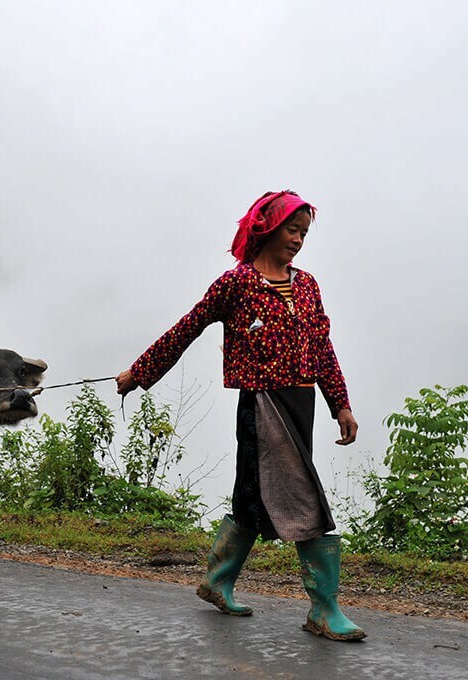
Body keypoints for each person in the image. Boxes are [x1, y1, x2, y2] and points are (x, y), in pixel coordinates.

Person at [116, 190, 365, 641]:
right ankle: (324, 608)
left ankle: (217, 580)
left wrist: (340, 403)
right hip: (262, 403)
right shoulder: (235, 284)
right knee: (302, 496)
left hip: (301, 402)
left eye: (304, 233)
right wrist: (139, 372)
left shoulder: (306, 285)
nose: (298, 241)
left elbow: (322, 348)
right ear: (267, 227)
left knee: (256, 495)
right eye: (292, 230)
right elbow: (186, 328)